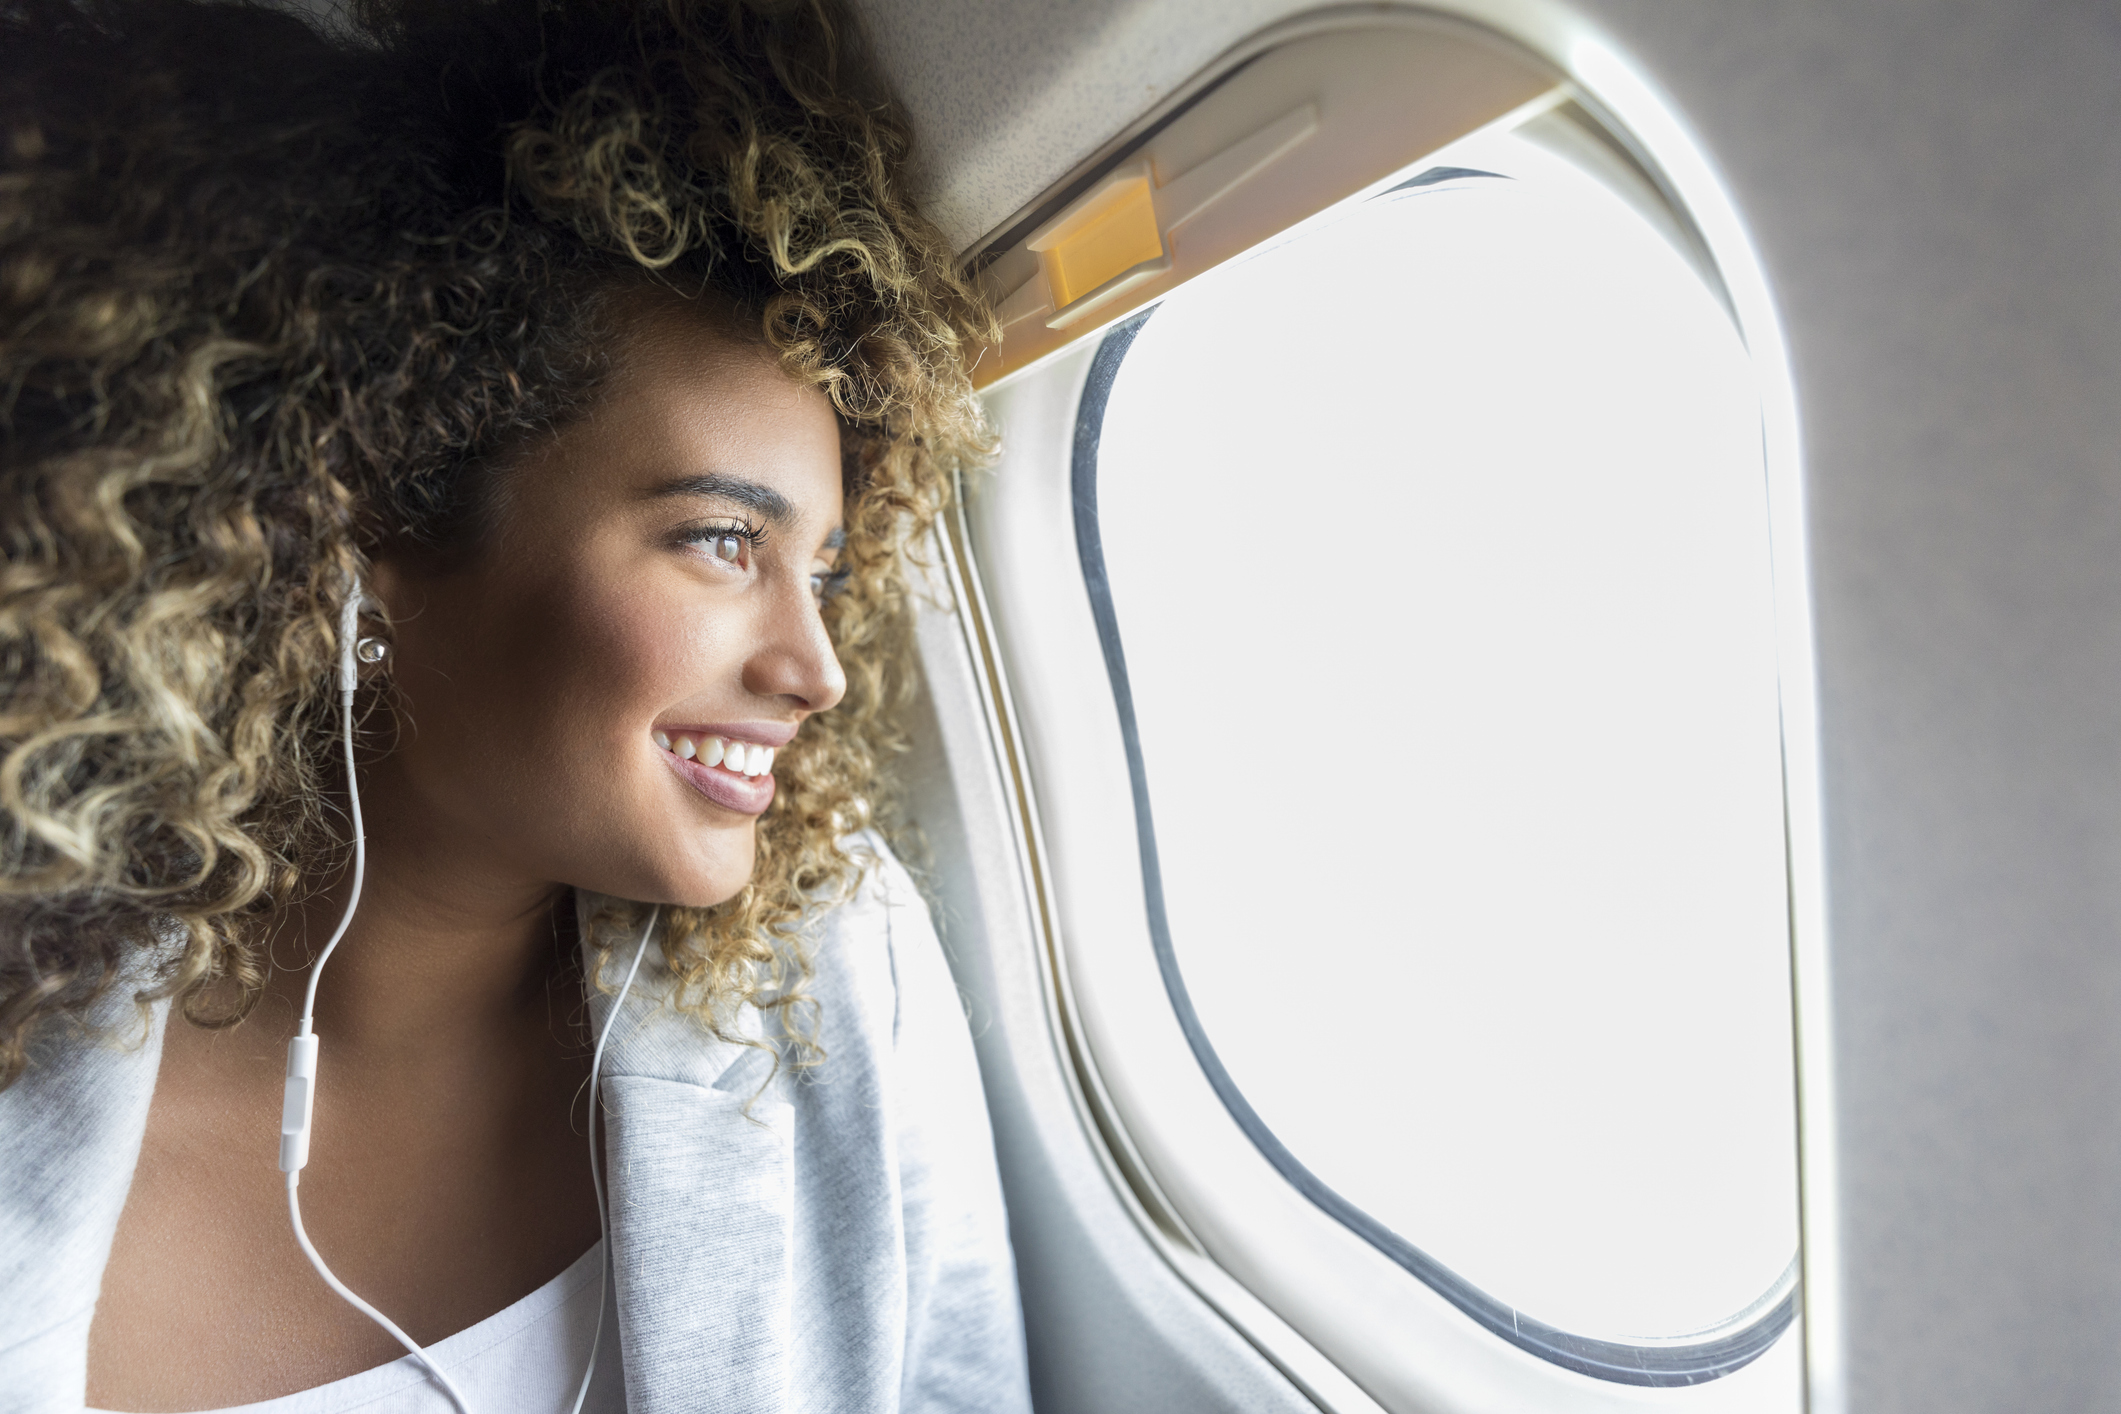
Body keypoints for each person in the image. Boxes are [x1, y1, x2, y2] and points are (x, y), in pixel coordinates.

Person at [0, 0, 1030, 1410]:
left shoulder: (838, 973)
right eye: (724, 541)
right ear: (380, 534)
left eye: (826, 567)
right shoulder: (28, 1024)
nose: (818, 664)